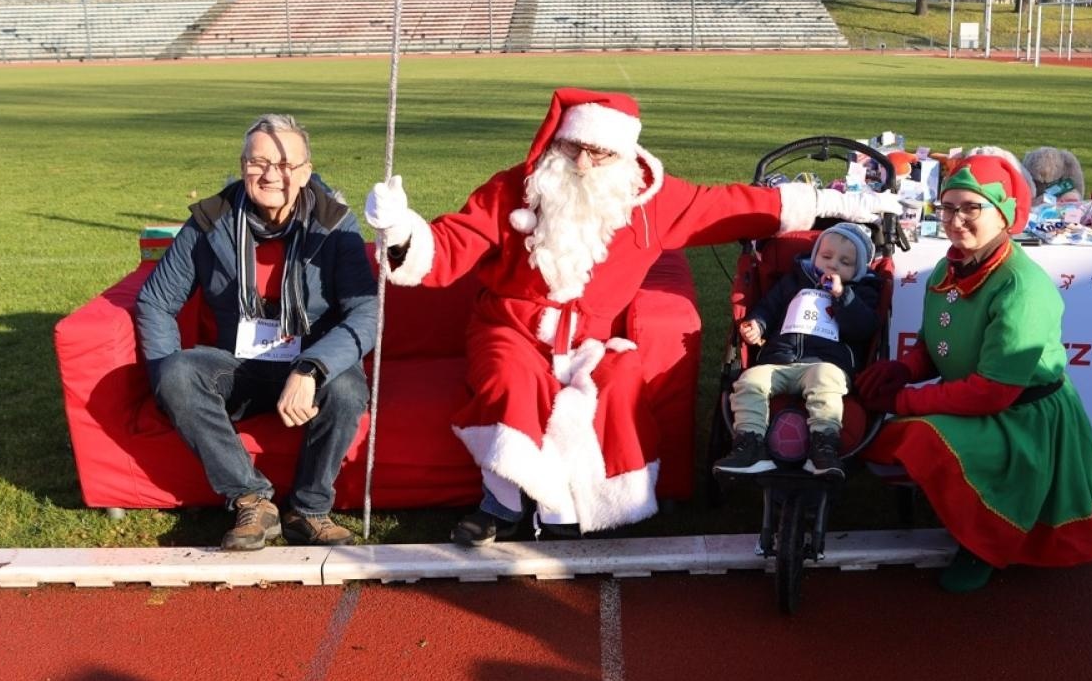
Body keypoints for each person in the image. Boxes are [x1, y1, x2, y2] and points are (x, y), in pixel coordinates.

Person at [364, 87, 895, 545]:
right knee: (509, 378)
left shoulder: (651, 202)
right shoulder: (513, 190)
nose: (581, 164)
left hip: (591, 340)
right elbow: (457, 240)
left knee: (618, 383)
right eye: (573, 148)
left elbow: (729, 204)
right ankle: (501, 501)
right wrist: (404, 231)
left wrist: (835, 203)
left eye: (598, 153)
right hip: (509, 327)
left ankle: (580, 508)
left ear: (621, 154)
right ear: (556, 143)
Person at [855, 151, 1092, 593]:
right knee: (901, 435)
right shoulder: (952, 263)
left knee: (921, 436)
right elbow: (936, 341)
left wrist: (902, 400)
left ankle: (984, 543)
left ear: (1005, 214)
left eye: (971, 208)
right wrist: (905, 368)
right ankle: (964, 514)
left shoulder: (1020, 287)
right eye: (948, 207)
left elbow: (992, 392)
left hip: (1022, 421)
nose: (956, 221)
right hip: (983, 401)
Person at [136, 114, 378, 551]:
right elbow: (155, 302)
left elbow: (365, 312)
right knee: (177, 374)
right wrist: (165, 384)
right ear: (242, 165)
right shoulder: (210, 221)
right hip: (239, 365)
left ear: (305, 172)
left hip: (310, 365)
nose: (270, 175)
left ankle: (308, 509)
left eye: (284, 164)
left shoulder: (334, 224)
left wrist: (311, 368)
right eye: (257, 162)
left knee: (345, 387)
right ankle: (252, 499)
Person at [713, 222, 883, 479]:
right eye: (826, 257)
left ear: (858, 271)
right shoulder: (793, 282)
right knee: (750, 380)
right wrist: (758, 325)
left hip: (825, 363)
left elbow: (864, 328)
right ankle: (749, 444)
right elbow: (768, 308)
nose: (833, 264)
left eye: (845, 262)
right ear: (815, 256)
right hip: (779, 361)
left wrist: (842, 296)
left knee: (826, 378)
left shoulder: (861, 292)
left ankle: (824, 446)